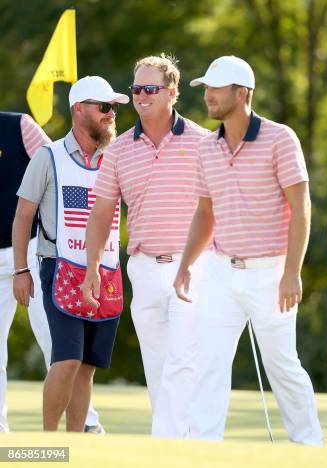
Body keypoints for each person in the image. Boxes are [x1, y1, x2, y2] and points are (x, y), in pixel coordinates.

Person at [174, 55, 323, 445]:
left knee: (282, 365)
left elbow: (301, 207)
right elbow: (205, 212)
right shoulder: (207, 147)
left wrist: (292, 271)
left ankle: (309, 446)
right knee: (210, 363)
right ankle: (205, 447)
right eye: (205, 89)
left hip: (271, 272)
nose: (207, 96)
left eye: (215, 89)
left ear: (241, 93)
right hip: (222, 270)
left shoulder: (280, 138)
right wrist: (187, 263)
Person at [82, 54, 211, 438]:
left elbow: (220, 203)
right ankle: (176, 446)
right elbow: (102, 212)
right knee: (157, 363)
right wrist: (91, 267)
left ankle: (172, 443)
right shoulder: (120, 149)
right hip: (142, 267)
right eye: (136, 88)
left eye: (150, 88)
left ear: (171, 92)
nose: (140, 95)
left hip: (192, 267)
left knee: (182, 359)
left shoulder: (204, 142)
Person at [12, 76, 128, 432]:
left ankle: (75, 444)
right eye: (104, 107)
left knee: (88, 365)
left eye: (114, 108)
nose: (111, 114)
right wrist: (21, 271)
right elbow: (23, 216)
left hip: (106, 272)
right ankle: (47, 442)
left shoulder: (117, 157)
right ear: (79, 109)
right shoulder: (49, 157)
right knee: (66, 359)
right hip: (58, 269)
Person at [0, 112, 104, 433]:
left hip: (31, 247)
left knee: (55, 339)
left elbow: (61, 172)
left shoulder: (18, 126)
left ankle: (85, 422)